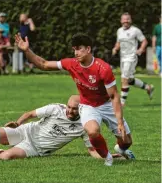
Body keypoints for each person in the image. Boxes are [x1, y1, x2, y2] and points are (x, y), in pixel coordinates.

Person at [15, 33, 135, 166]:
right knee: (93, 131)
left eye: (79, 49)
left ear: (88, 49)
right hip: (88, 105)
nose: (76, 52)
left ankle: (120, 149)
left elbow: (114, 96)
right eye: (74, 49)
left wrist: (119, 122)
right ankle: (107, 157)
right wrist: (27, 50)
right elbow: (44, 64)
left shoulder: (103, 68)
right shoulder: (71, 64)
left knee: (127, 141)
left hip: (106, 105)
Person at [0, 95, 111, 160]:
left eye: (74, 108)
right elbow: (30, 114)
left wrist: (107, 156)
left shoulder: (85, 126)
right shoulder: (56, 108)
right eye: (69, 106)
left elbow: (92, 151)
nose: (70, 110)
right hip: (25, 131)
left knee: (6, 157)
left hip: (35, 148)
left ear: (81, 108)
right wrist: (18, 123)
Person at [112, 12, 154, 106]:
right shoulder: (119, 31)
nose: (126, 21)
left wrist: (140, 49)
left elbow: (144, 41)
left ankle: (122, 103)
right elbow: (118, 42)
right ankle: (148, 87)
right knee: (129, 80)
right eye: (124, 19)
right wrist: (115, 48)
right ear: (121, 21)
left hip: (131, 57)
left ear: (130, 20)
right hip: (123, 58)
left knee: (124, 79)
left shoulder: (135, 30)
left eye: (128, 19)